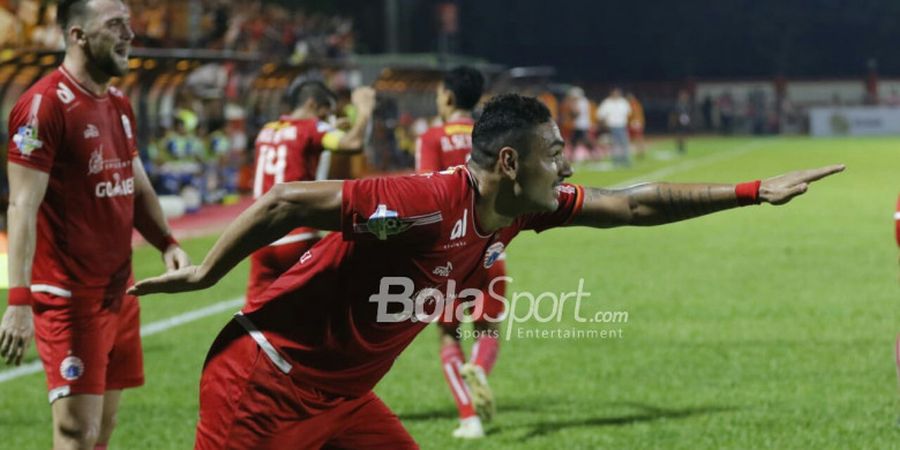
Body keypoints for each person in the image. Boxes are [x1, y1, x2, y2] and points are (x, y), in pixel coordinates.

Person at [130, 94, 843, 450]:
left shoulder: (522, 209)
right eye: (555, 152)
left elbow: (636, 206)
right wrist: (207, 275)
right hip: (260, 385)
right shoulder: (422, 203)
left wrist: (752, 192)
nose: (568, 166)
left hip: (344, 399)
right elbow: (286, 200)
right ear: (510, 163)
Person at [0, 1, 191, 448]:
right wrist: (20, 301)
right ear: (78, 36)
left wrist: (165, 241)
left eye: (129, 23)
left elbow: (136, 184)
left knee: (102, 429)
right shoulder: (42, 106)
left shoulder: (119, 103)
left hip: (119, 290)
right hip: (69, 297)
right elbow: (22, 207)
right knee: (76, 432)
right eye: (115, 25)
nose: (129, 34)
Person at [416, 66, 500, 439]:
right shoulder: (492, 138)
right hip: (492, 247)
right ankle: (480, 367)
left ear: (447, 97)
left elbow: (424, 192)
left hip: (447, 253)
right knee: (489, 328)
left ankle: (469, 418)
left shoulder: (432, 137)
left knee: (450, 334)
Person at [246, 80, 375, 302]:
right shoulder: (313, 127)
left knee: (257, 313)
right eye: (326, 113)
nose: (326, 120)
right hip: (295, 234)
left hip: (259, 237)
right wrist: (364, 110)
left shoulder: (266, 131)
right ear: (313, 103)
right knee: (320, 309)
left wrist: (331, 127)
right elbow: (353, 144)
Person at [597, 87, 632, 167]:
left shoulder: (623, 102)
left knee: (624, 143)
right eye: (614, 93)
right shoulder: (607, 102)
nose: (616, 94)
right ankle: (616, 160)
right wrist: (605, 122)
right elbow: (600, 114)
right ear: (612, 93)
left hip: (622, 125)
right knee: (615, 144)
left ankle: (625, 160)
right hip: (612, 126)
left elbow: (629, 113)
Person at [626, 92, 646, 160]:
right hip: (634, 123)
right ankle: (639, 152)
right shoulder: (633, 104)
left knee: (638, 139)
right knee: (636, 139)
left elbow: (636, 115)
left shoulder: (634, 105)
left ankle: (640, 153)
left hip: (635, 123)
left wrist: (640, 122)